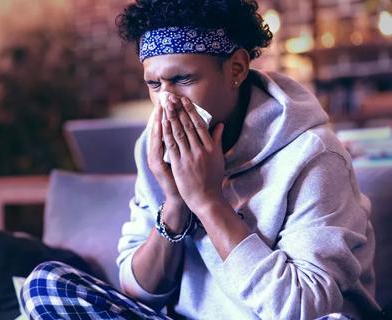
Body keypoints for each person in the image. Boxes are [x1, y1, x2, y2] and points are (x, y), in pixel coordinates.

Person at [21, 0, 381, 319]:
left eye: (182, 79)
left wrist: (208, 201)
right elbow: (137, 291)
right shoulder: (155, 146)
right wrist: (175, 204)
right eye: (154, 85)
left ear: (237, 69)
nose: (167, 102)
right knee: (46, 284)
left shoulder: (313, 155)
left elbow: (303, 309)